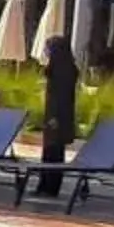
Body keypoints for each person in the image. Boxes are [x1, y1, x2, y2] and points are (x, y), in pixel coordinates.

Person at [36, 34, 78, 197]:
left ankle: (51, 187)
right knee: (48, 151)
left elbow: (62, 96)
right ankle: (44, 184)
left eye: (48, 48)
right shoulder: (58, 67)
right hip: (54, 115)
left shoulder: (64, 70)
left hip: (58, 116)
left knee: (54, 152)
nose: (46, 52)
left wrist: (55, 117)